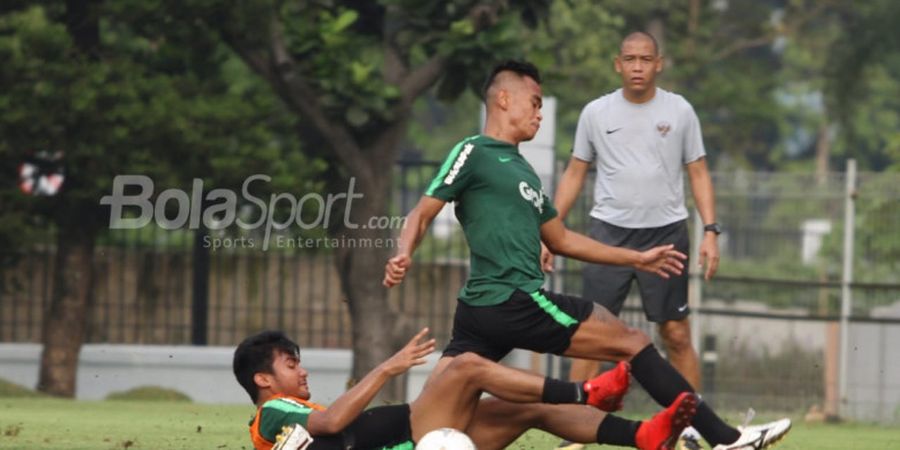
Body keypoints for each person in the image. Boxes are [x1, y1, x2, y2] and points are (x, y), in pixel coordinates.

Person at [383, 60, 790, 450]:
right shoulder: (473, 151)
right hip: (512, 300)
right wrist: (403, 252)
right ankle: (726, 439)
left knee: (430, 422)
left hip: (482, 313)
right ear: (504, 99)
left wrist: (636, 257)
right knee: (632, 342)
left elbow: (561, 239)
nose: (539, 113)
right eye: (535, 102)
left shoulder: (522, 172)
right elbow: (421, 213)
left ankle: (648, 436)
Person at [546, 30, 719, 450]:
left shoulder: (680, 111)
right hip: (608, 235)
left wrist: (711, 231)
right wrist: (549, 232)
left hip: (667, 233)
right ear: (617, 64)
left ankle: (692, 427)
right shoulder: (596, 113)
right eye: (630, 59)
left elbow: (698, 173)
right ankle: (576, 433)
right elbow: (574, 173)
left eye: (646, 59)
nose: (638, 66)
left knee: (676, 334)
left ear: (659, 63)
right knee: (591, 336)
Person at [233, 327, 700, 450]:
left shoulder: (293, 411)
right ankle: (585, 392)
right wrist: (388, 367)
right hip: (416, 437)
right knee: (465, 368)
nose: (303, 372)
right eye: (292, 365)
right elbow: (335, 422)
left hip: (421, 434)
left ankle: (641, 436)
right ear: (263, 380)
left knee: (527, 408)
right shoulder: (271, 414)